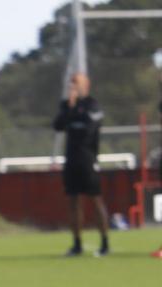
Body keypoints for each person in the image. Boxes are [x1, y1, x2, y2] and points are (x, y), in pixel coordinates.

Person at [54, 71, 110, 257]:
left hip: (88, 159)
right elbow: (58, 125)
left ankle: (104, 243)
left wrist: (75, 115)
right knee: (73, 202)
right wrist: (70, 107)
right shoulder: (67, 105)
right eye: (71, 84)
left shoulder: (92, 105)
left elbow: (88, 129)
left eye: (76, 83)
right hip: (71, 160)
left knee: (95, 200)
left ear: (86, 85)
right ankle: (76, 244)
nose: (73, 87)